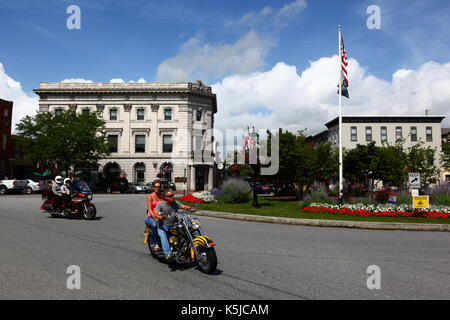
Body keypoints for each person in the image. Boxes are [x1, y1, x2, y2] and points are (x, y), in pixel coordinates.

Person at [154, 190, 193, 261]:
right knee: (163, 236)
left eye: (173, 195)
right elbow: (156, 213)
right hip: (163, 225)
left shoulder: (175, 203)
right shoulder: (160, 204)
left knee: (187, 228)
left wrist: (191, 208)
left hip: (174, 224)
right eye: (171, 196)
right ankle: (168, 253)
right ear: (166, 197)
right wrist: (161, 217)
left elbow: (183, 206)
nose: (173, 197)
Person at [144, 180, 164, 251]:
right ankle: (155, 243)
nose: (157, 188)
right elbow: (149, 209)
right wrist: (154, 217)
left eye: (158, 187)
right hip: (151, 215)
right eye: (156, 187)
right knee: (155, 225)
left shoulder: (162, 196)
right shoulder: (150, 196)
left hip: (161, 215)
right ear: (153, 187)